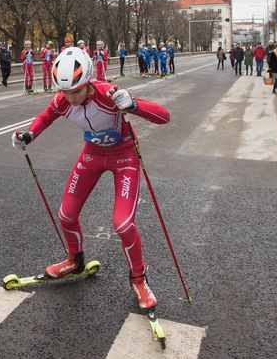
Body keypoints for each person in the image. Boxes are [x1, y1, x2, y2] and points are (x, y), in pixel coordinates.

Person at [12, 46, 171, 310]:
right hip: (92, 155)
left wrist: (133, 104)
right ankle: (75, 261)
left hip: (124, 157)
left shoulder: (108, 94)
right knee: (66, 214)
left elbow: (164, 117)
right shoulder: (62, 100)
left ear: (87, 83)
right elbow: (45, 117)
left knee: (122, 224)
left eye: (76, 91)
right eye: (64, 91)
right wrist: (28, 135)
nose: (70, 97)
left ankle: (138, 279)